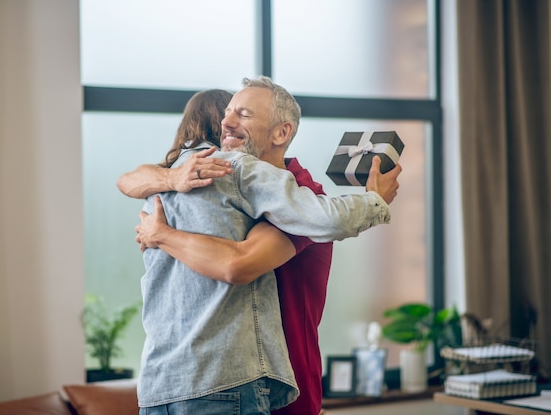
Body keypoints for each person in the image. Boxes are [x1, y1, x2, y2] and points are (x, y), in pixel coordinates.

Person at [121, 78, 401, 415]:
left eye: (243, 114)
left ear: (281, 132)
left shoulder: (297, 194)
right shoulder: (193, 183)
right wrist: (170, 179)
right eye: (226, 114)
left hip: (276, 388)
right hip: (213, 382)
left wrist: (162, 235)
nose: (226, 123)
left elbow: (238, 265)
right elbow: (129, 179)